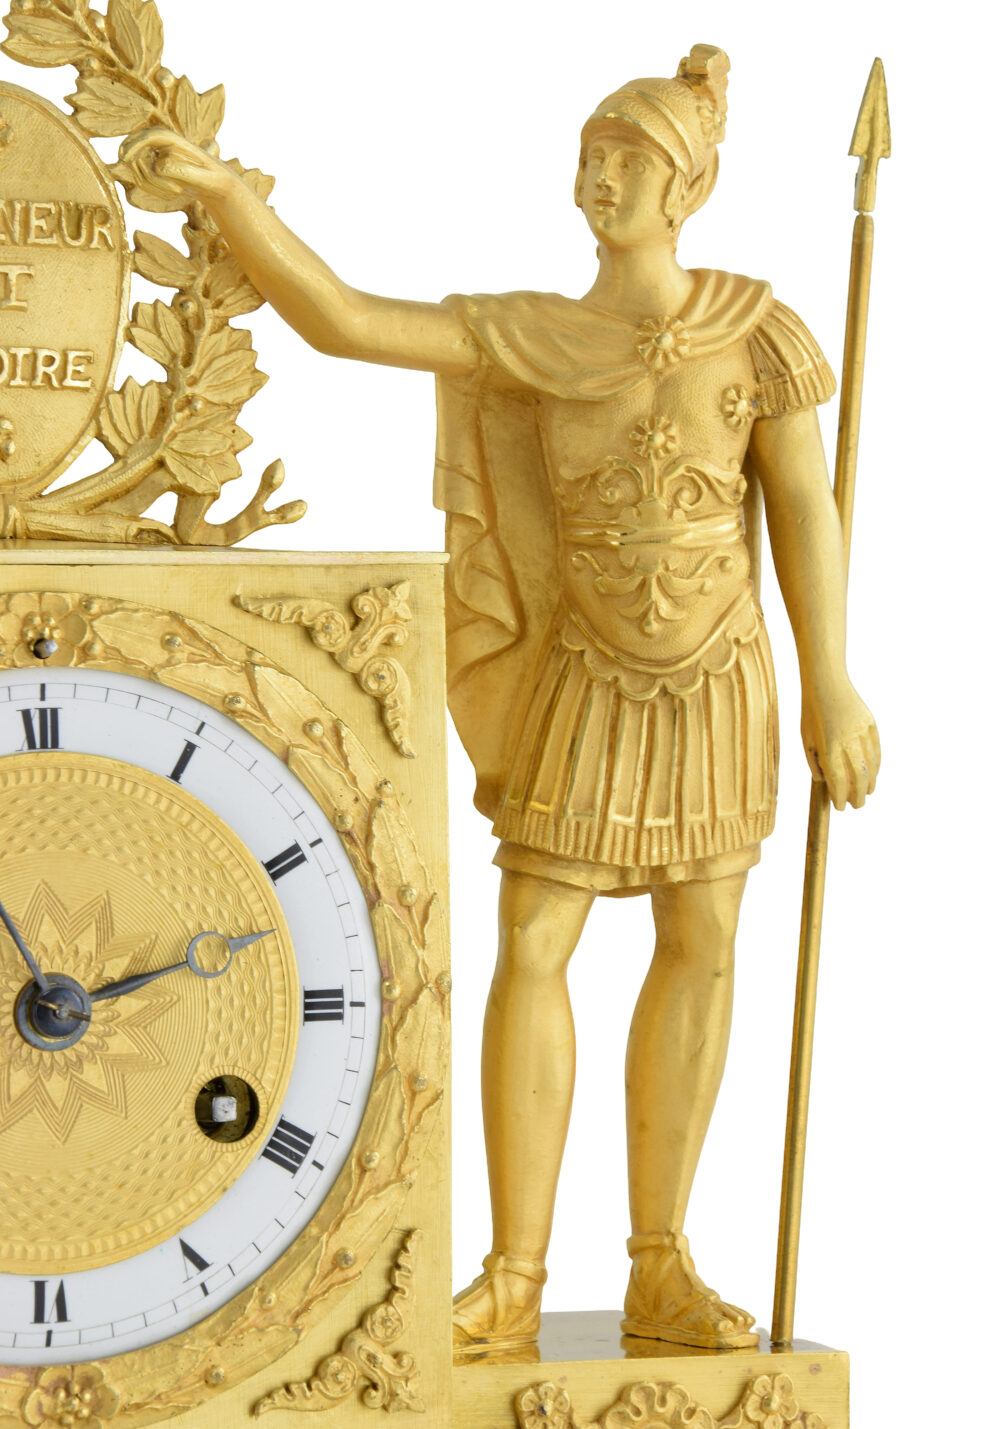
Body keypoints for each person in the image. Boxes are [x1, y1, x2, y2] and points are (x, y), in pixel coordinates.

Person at [121, 43, 879, 1355]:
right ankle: (515, 1275)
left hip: (720, 674)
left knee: (704, 941)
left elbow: (806, 510)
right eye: (591, 151)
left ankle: (660, 1268)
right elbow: (349, 321)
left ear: (689, 184)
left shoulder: (758, 331)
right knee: (534, 937)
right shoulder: (532, 336)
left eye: (628, 155)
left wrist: (835, 684)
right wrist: (233, 200)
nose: (602, 173)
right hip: (586, 672)